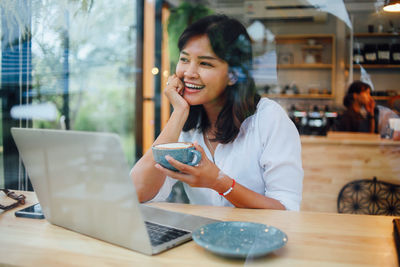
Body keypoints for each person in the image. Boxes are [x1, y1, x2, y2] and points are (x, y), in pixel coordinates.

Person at [130, 15, 303, 211]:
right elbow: (136, 192)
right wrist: (178, 113)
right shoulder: (186, 125)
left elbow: (286, 210)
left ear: (233, 75)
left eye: (205, 63)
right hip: (203, 237)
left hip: (259, 239)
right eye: (184, 59)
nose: (189, 72)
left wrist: (219, 182)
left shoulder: (269, 119)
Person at [334, 80, 398, 136]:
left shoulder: (359, 115)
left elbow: (370, 135)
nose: (370, 97)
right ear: (355, 95)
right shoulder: (348, 116)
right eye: (367, 93)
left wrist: (371, 112)